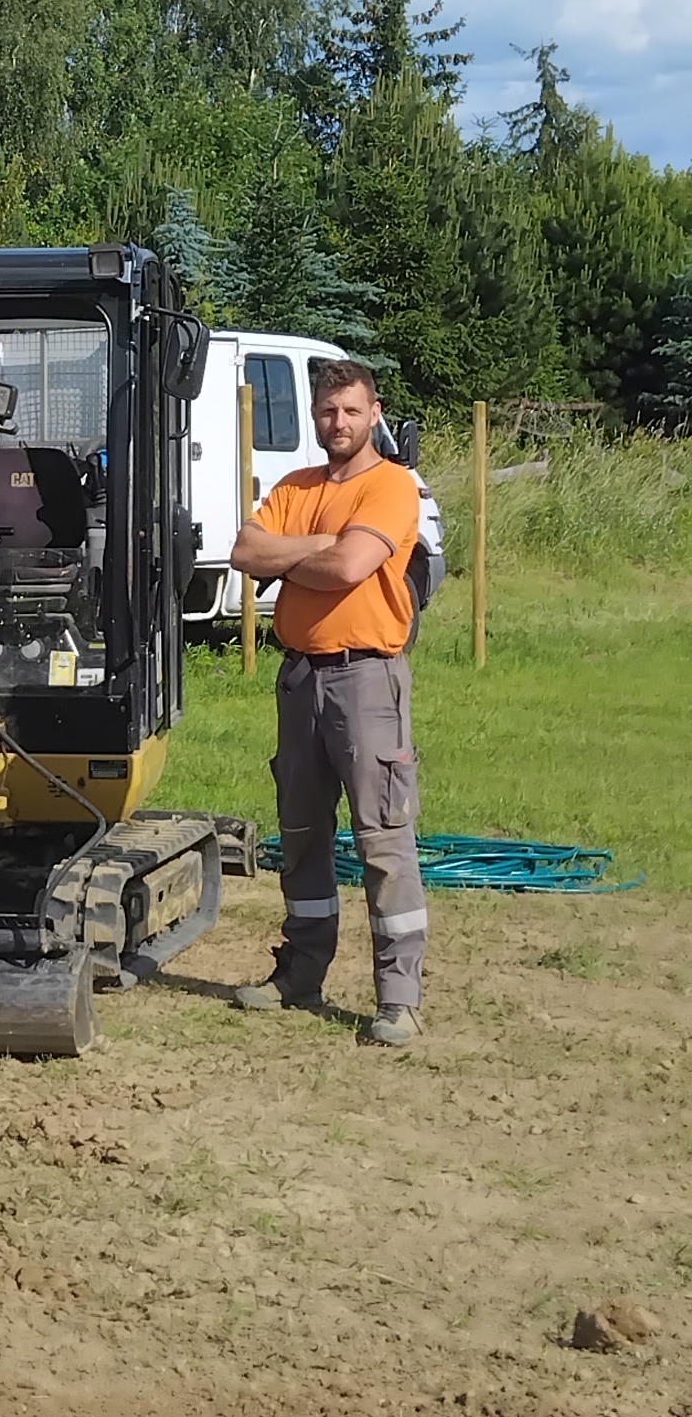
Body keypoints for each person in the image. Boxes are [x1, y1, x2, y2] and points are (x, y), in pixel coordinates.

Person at [228, 358, 427, 1047]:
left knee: (382, 838)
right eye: (326, 411)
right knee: (303, 836)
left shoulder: (393, 486)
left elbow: (350, 568)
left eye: (349, 410)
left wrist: (293, 555)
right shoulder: (296, 486)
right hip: (300, 680)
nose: (336, 423)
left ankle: (398, 999)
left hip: (366, 680)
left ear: (374, 413)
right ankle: (300, 974)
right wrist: (316, 544)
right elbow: (244, 553)